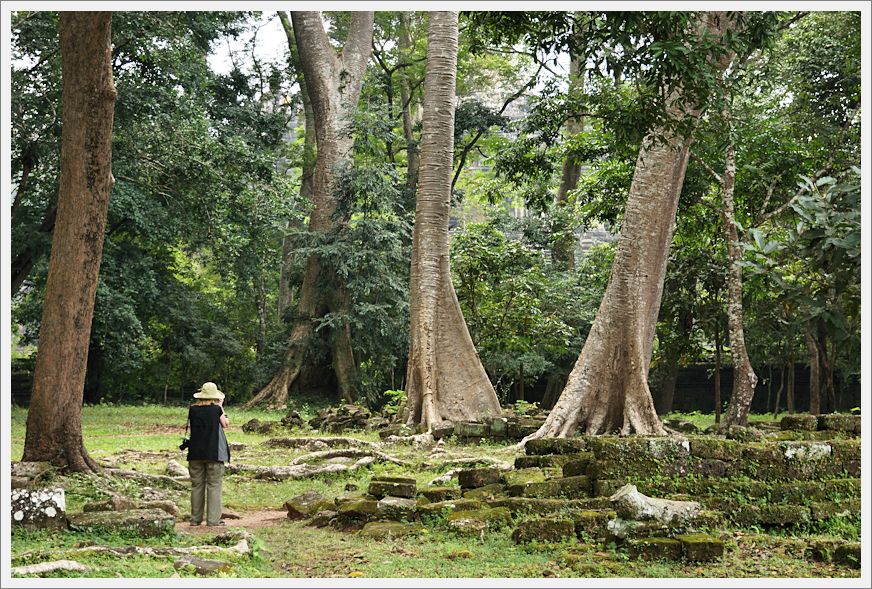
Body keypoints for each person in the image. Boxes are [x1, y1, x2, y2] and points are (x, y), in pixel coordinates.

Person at [186, 381, 230, 526]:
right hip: (214, 453)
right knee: (214, 485)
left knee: (197, 485)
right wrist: (221, 406)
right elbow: (225, 424)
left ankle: (195, 519)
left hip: (195, 452)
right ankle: (213, 520)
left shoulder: (192, 409)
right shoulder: (216, 410)